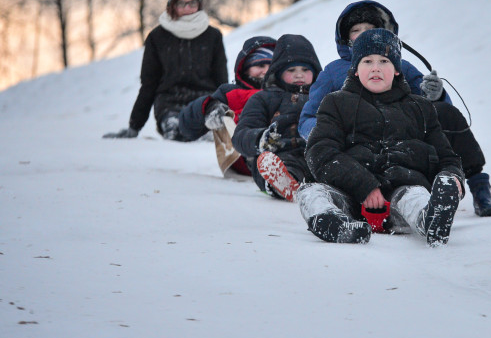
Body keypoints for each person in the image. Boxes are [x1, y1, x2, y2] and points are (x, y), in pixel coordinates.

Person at [298, 0, 491, 217]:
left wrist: (437, 95)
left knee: (447, 113)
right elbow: (307, 118)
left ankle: (477, 187)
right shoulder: (333, 72)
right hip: (355, 144)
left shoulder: (401, 66)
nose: (364, 34)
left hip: (399, 142)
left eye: (371, 29)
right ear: (345, 37)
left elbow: (428, 112)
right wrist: (329, 129)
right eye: (356, 30)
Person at [297, 28, 465, 246]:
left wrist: (453, 178)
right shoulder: (336, 103)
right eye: (367, 61)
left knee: (415, 195)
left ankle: (430, 220)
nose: (375, 68)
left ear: (397, 69)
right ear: (355, 70)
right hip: (349, 197)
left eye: (384, 61)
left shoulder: (421, 108)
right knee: (310, 192)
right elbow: (320, 151)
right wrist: (364, 185)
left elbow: (447, 157)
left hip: (401, 193)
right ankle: (334, 223)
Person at [103, 0, 227, 141]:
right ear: (172, 4)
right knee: (178, 134)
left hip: (206, 103)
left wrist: (228, 113)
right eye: (181, 3)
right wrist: (134, 127)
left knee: (211, 137)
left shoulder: (213, 36)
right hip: (170, 105)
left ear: (199, 3)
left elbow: (221, 82)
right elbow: (149, 84)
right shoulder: (157, 37)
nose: (187, 8)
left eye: (192, 2)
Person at [232, 34, 321, 200]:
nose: (299, 75)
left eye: (305, 70)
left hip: (318, 154)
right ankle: (284, 183)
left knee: (335, 163)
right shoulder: (263, 98)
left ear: (315, 72)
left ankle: (339, 188)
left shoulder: (323, 98)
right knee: (271, 163)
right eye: (291, 70)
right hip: (280, 154)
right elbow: (241, 135)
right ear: (278, 72)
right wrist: (260, 139)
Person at [175, 36, 276, 175]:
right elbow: (186, 126)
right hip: (241, 158)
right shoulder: (230, 94)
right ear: (245, 68)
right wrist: (209, 108)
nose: (266, 71)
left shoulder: (287, 93)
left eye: (272, 66)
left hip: (281, 155)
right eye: (260, 66)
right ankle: (254, 159)